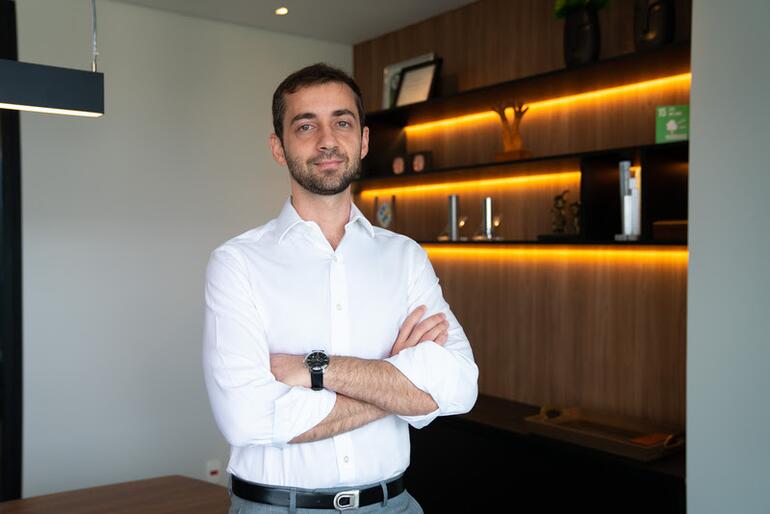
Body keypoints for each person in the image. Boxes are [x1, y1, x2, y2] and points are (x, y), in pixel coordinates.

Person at [202, 63, 479, 514]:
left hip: (394, 505)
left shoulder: (405, 257)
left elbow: (461, 386)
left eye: (342, 122)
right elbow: (247, 418)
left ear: (363, 141)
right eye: (305, 125)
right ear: (278, 147)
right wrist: (393, 379)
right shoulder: (237, 263)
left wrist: (317, 369)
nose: (327, 140)